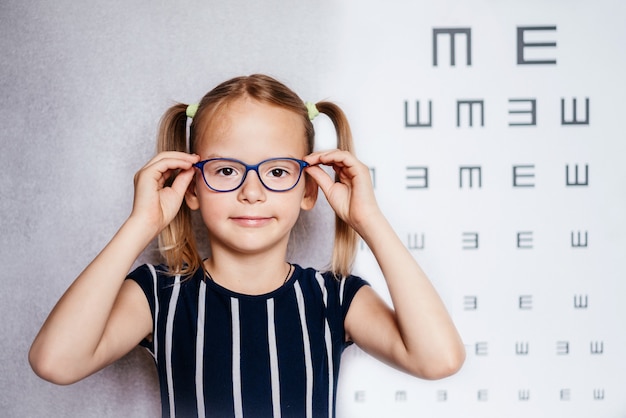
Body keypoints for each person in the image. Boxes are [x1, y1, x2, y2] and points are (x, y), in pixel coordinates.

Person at [29, 74, 465, 417]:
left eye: (277, 172)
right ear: (191, 187)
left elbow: (439, 359)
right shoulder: (159, 295)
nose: (251, 192)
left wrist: (369, 220)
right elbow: (55, 362)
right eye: (225, 171)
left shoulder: (334, 298)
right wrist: (140, 223)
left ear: (309, 190)